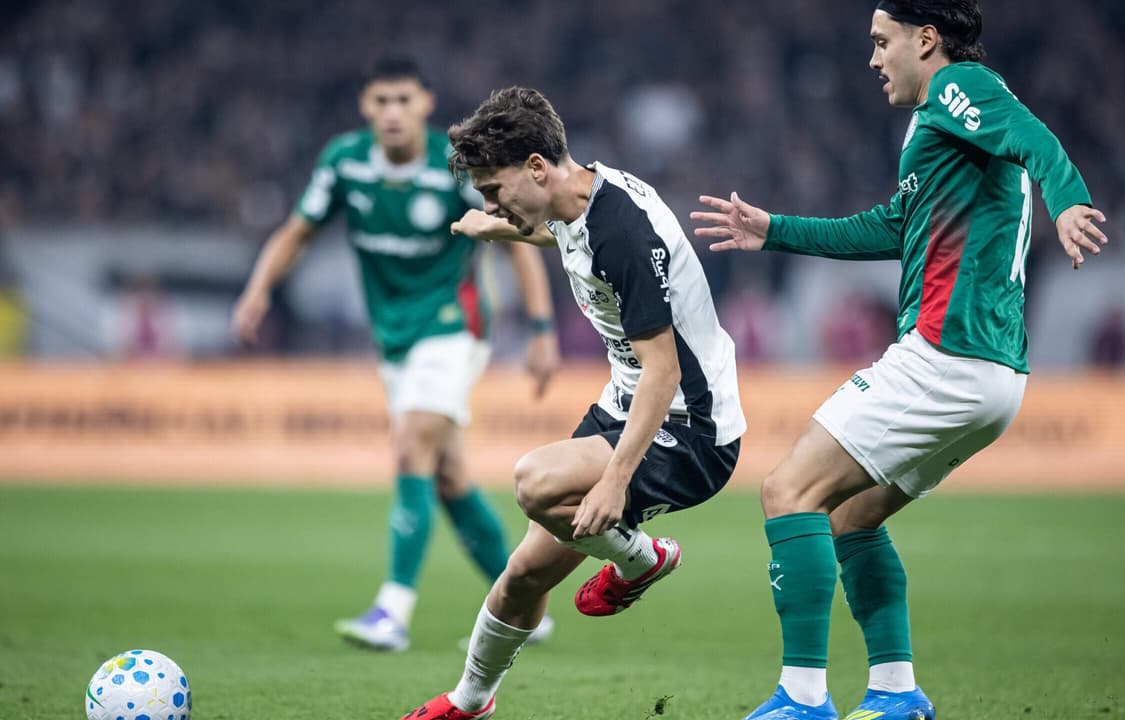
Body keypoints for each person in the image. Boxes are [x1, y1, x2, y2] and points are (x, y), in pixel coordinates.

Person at [691, 2, 1108, 718]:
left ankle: (802, 698)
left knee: (789, 491)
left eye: (882, 43)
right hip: (993, 375)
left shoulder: (960, 88)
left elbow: (1035, 139)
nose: (874, 58)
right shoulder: (937, 123)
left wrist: (1068, 202)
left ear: (927, 39)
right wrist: (777, 229)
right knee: (850, 513)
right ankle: (894, 693)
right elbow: (894, 225)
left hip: (946, 353)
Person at [400, 86, 746, 720]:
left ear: (536, 166)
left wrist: (614, 483)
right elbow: (561, 236)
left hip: (691, 429)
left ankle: (641, 561)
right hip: (626, 405)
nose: (489, 202)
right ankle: (469, 703)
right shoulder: (577, 196)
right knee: (525, 573)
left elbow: (663, 373)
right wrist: (500, 227)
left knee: (534, 482)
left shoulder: (623, 234)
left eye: (493, 189)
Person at [232, 56, 561, 653]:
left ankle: (393, 610)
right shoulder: (345, 162)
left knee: (412, 445)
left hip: (452, 326)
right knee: (448, 474)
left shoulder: (454, 165)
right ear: (365, 106)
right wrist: (257, 291)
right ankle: (526, 610)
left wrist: (540, 329)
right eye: (381, 101)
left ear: (426, 104)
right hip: (394, 338)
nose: (392, 112)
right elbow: (297, 230)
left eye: (403, 100)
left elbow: (516, 240)